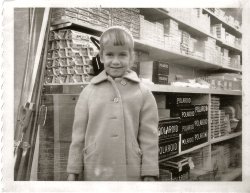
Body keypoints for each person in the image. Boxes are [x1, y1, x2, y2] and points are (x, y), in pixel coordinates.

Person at [67, 26, 159, 181]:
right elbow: (78, 136)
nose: (116, 61)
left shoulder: (143, 93)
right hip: (94, 169)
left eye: (122, 55)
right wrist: (73, 170)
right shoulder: (88, 92)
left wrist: (149, 171)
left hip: (131, 171)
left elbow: (149, 137)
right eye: (110, 54)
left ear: (131, 57)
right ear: (101, 57)